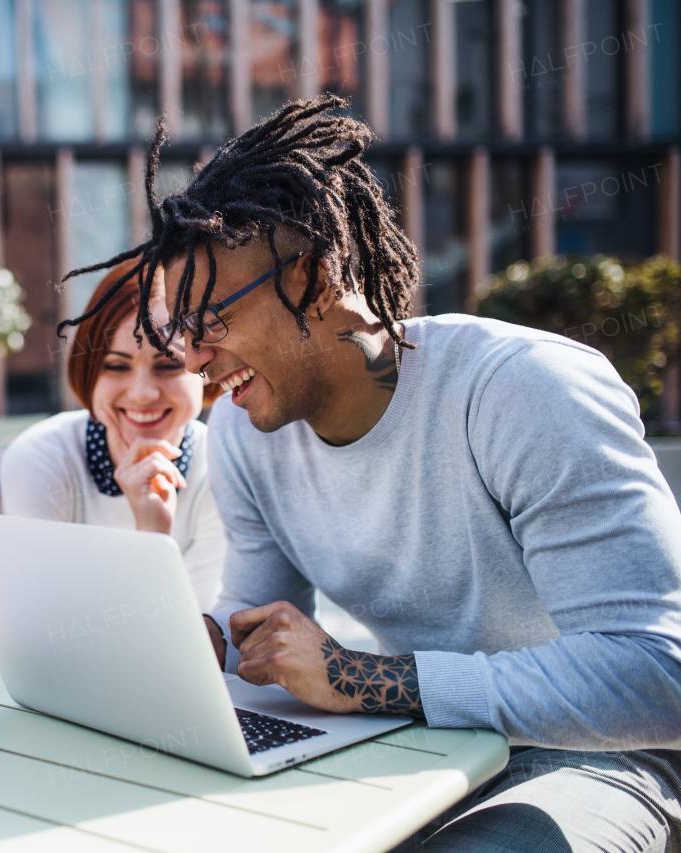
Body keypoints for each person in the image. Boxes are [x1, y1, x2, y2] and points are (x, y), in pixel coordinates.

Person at [63, 97, 681, 850]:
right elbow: (258, 615)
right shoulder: (245, 428)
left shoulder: (522, 390)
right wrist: (200, 638)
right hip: (409, 747)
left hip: (590, 758)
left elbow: (655, 676)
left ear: (317, 277)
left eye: (209, 322)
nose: (190, 359)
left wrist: (365, 679)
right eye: (179, 329)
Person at [0, 261, 226, 610]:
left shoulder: (224, 467)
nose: (141, 393)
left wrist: (153, 534)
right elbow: (45, 623)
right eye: (116, 366)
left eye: (167, 365)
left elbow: (187, 637)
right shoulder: (40, 459)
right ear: (88, 372)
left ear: (206, 369)